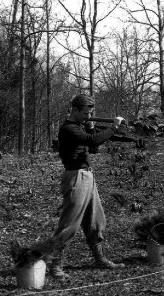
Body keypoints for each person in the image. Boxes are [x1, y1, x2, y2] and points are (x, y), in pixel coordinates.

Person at [47, 95, 126, 280]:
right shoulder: (68, 129)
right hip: (76, 177)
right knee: (70, 223)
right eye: (85, 113)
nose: (87, 116)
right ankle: (54, 264)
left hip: (87, 175)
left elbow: (94, 148)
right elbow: (94, 141)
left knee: (96, 219)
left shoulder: (80, 127)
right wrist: (113, 127)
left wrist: (91, 127)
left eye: (90, 113)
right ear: (74, 110)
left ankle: (99, 258)